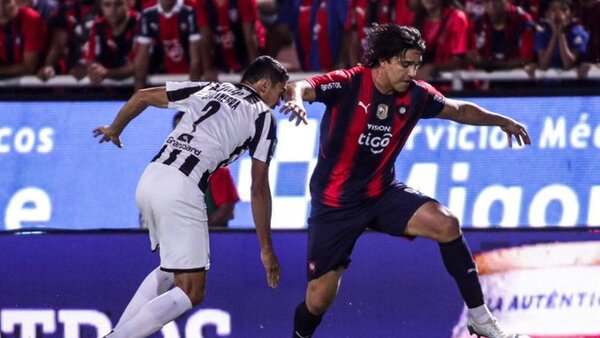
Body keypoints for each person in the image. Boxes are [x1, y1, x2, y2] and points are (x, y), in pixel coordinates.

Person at [281, 24, 532, 338]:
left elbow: (460, 110)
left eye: (416, 64)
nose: (413, 72)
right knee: (317, 302)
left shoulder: (417, 95)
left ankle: (480, 318)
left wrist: (502, 120)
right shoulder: (350, 83)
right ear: (383, 61)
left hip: (381, 193)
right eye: (405, 64)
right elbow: (301, 85)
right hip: (335, 205)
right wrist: (298, 101)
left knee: (447, 224)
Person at [93, 55, 287, 338]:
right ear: (264, 85)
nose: (279, 102)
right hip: (183, 187)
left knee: (170, 270)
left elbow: (142, 96)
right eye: (280, 93)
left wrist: (115, 129)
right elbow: (258, 187)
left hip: (150, 177)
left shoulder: (208, 88)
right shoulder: (262, 115)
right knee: (192, 291)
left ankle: (119, 333)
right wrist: (266, 248)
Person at [172, 111, 240, 228]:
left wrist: (196, 230)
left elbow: (227, 210)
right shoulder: (169, 170)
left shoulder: (217, 169)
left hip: (210, 240)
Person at [133, 0, 201, 91]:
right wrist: (137, 95)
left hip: (195, 73)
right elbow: (142, 57)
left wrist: (192, 96)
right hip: (163, 73)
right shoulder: (147, 11)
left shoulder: (192, 8)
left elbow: (196, 58)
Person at [196, 0, 264, 81]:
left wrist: (253, 70)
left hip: (245, 54)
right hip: (219, 57)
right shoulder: (202, 2)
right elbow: (205, 38)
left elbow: (250, 38)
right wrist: (208, 69)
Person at [85, 0, 139, 85]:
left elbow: (138, 66)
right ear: (101, 6)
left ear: (128, 3)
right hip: (109, 91)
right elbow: (91, 61)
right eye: (107, 5)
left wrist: (107, 73)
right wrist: (95, 71)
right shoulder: (98, 26)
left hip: (145, 87)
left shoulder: (139, 22)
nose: (113, 10)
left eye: (118, 4)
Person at [534, 0, 589, 71]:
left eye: (564, 9)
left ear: (572, 14)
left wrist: (561, 34)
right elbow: (543, 65)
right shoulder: (541, 34)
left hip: (572, 81)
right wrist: (554, 34)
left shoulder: (580, 34)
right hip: (548, 81)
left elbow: (568, 65)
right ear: (547, 14)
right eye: (553, 9)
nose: (558, 14)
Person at [0, 0, 46, 79]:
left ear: (17, 2)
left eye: (7, 2)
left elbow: (28, 68)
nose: (1, 9)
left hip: (36, 86)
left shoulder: (32, 19)